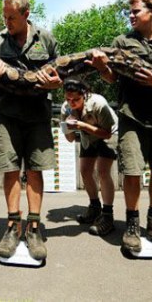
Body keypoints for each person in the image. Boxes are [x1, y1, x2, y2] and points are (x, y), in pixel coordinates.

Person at [89, 0, 152, 253]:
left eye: (136, 11)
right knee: (132, 171)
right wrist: (101, 68)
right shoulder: (122, 42)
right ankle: (132, 224)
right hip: (132, 116)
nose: (131, 15)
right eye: (130, 12)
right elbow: (111, 78)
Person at [0, 0, 62, 260]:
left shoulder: (46, 39)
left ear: (26, 14)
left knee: (35, 170)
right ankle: (13, 224)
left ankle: (34, 226)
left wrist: (56, 84)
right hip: (8, 115)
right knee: (10, 169)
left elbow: (60, 75)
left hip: (38, 114)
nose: (7, 22)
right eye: (4, 17)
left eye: (12, 18)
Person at [60, 78, 118, 236]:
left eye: (76, 99)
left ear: (84, 94)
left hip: (109, 134)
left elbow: (107, 134)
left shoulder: (98, 103)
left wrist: (82, 125)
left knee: (103, 171)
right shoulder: (66, 108)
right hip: (88, 137)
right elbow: (70, 139)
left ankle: (107, 216)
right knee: (85, 171)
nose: (71, 103)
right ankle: (94, 207)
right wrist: (68, 126)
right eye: (68, 99)